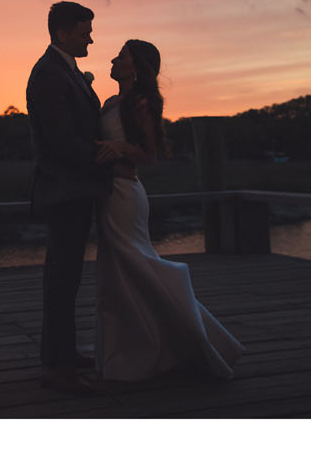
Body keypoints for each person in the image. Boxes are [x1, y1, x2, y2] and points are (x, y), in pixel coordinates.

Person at [92, 39, 245, 381]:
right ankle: (127, 348)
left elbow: (148, 154)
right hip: (105, 194)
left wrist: (117, 147)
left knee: (137, 264)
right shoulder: (109, 102)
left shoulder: (143, 102)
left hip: (125, 194)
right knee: (115, 273)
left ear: (137, 66)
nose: (114, 59)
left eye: (123, 56)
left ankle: (193, 338)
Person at [25, 1, 107, 395]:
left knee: (67, 277)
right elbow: (61, 141)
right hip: (65, 190)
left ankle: (64, 353)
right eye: (83, 30)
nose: (89, 36)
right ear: (62, 33)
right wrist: (106, 164)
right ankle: (56, 366)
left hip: (75, 188)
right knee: (61, 278)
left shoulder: (64, 70)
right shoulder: (48, 75)